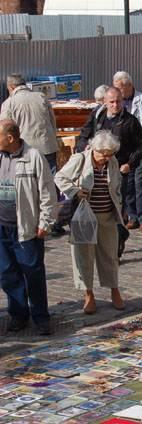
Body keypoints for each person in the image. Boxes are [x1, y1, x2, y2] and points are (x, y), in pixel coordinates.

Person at [55, 130, 125, 314]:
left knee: (110, 254)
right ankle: (88, 294)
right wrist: (75, 191)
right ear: (94, 149)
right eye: (103, 154)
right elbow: (60, 177)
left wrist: (120, 206)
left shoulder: (112, 162)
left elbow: (116, 186)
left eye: (110, 154)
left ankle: (114, 289)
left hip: (107, 215)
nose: (106, 158)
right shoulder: (80, 159)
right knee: (84, 255)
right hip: (84, 216)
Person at [0, 119, 56, 336]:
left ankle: (41, 317)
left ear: (10, 138)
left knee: (33, 272)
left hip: (26, 227)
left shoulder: (33, 157)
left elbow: (47, 192)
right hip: (2, 227)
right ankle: (18, 315)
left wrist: (46, 222)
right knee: (7, 273)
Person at [76, 87, 142, 257]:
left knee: (116, 208)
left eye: (118, 101)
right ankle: (96, 244)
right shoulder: (97, 117)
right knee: (96, 207)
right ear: (105, 102)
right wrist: (83, 148)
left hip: (118, 171)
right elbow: (84, 135)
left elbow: (141, 145)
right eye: (112, 102)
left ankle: (116, 246)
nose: (116, 105)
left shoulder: (130, 121)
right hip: (95, 170)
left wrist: (130, 164)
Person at [0, 75, 61, 236]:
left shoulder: (9, 103)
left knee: (26, 188)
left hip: (24, 152)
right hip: (47, 146)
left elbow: (4, 130)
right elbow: (52, 121)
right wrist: (54, 141)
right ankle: (51, 222)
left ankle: (31, 220)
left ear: (11, 88)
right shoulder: (41, 97)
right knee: (49, 185)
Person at [112, 71, 142, 233]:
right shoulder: (117, 103)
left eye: (120, 88)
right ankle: (132, 216)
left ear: (129, 85)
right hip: (126, 152)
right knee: (128, 186)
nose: (118, 91)